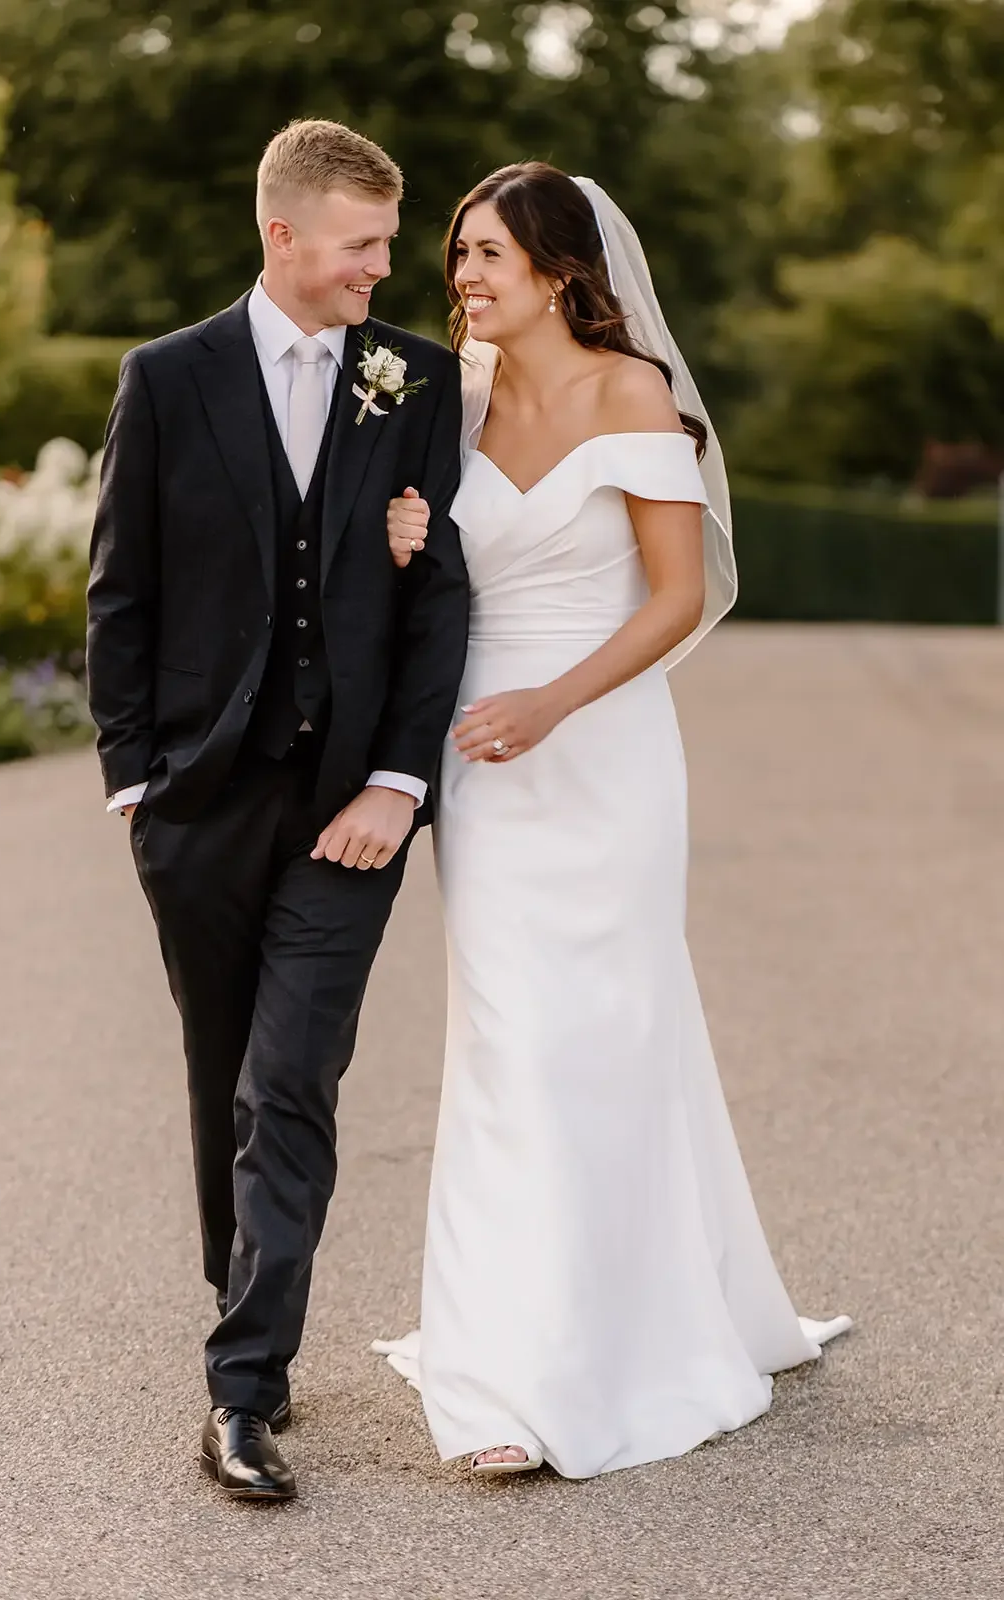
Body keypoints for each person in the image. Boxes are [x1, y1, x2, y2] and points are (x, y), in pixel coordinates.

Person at [374, 163, 850, 1480]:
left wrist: (552, 702)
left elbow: (672, 599)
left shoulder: (630, 391)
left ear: (561, 272)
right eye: (458, 253)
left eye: (489, 255)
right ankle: (500, 1374)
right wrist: (410, 536)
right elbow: (421, 568)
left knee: (610, 1026)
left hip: (601, 743)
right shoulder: (449, 401)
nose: (463, 276)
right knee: (509, 1037)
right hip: (484, 752)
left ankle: (620, 1338)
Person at [86, 119, 469, 1501]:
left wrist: (397, 781)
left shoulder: (415, 381)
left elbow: (441, 599)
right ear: (285, 238)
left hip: (347, 809)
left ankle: (241, 1395)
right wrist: (136, 781)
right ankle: (240, 1301)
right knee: (221, 1079)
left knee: (289, 1078)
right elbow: (119, 595)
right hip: (197, 801)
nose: (385, 268)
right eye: (364, 244)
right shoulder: (168, 378)